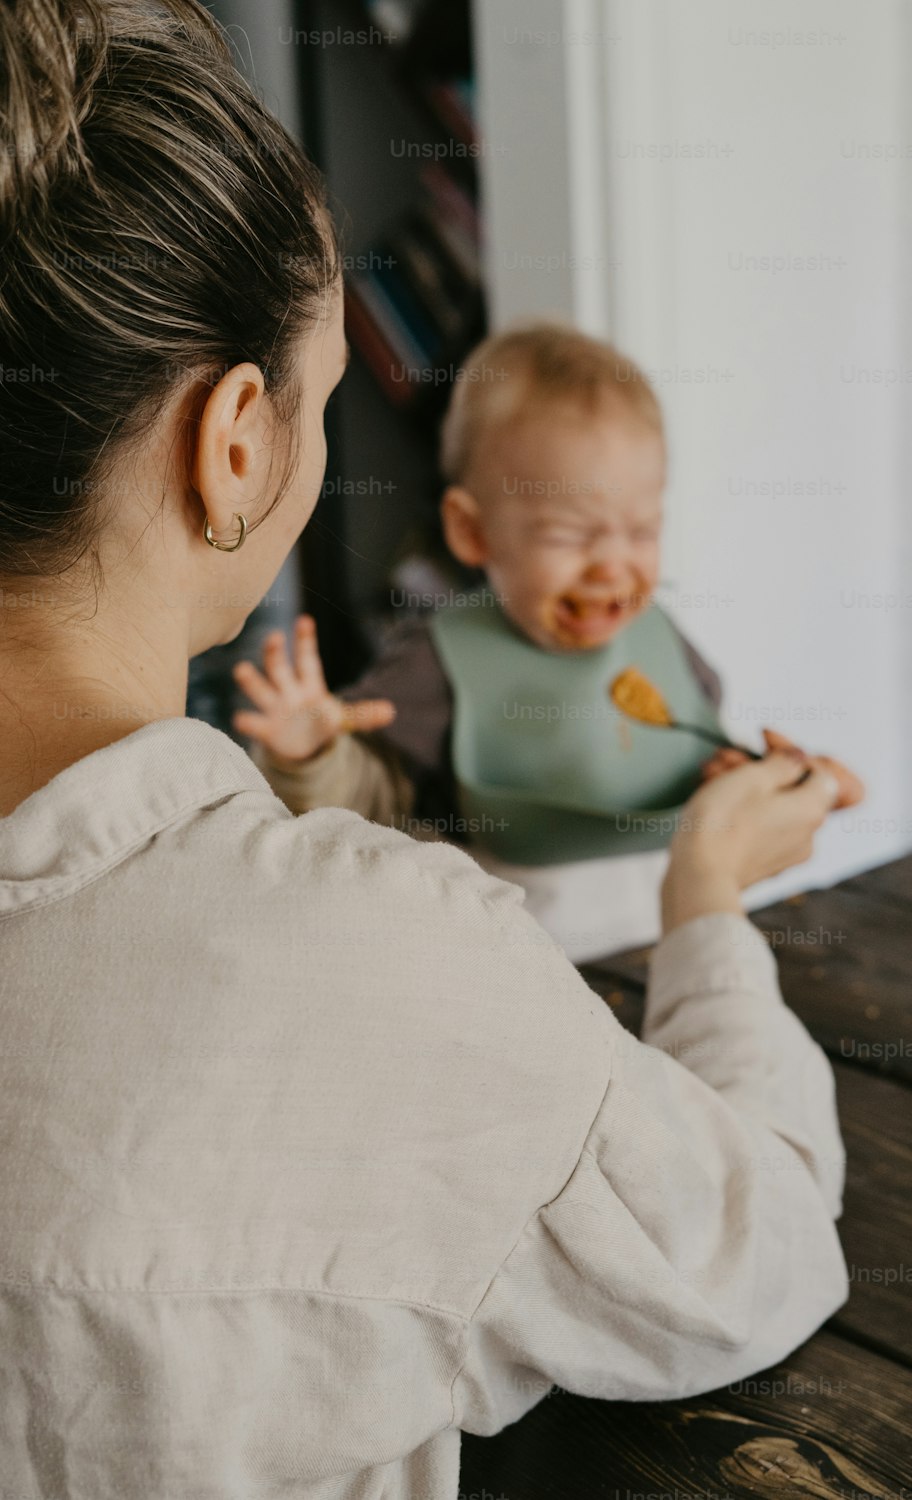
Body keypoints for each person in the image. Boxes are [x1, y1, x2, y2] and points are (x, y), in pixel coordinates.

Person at [0, 2, 847, 1497]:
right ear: (237, 441)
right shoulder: (371, 957)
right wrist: (710, 903)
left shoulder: (656, 676)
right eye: (324, 395)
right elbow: (751, 1244)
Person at [238, 323, 862, 961]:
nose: (612, 566)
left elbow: (692, 767)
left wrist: (753, 783)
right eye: (571, 537)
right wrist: (309, 757)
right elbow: (366, 811)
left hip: (677, 956)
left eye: (642, 531)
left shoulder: (660, 640)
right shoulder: (439, 664)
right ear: (473, 533)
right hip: (517, 981)